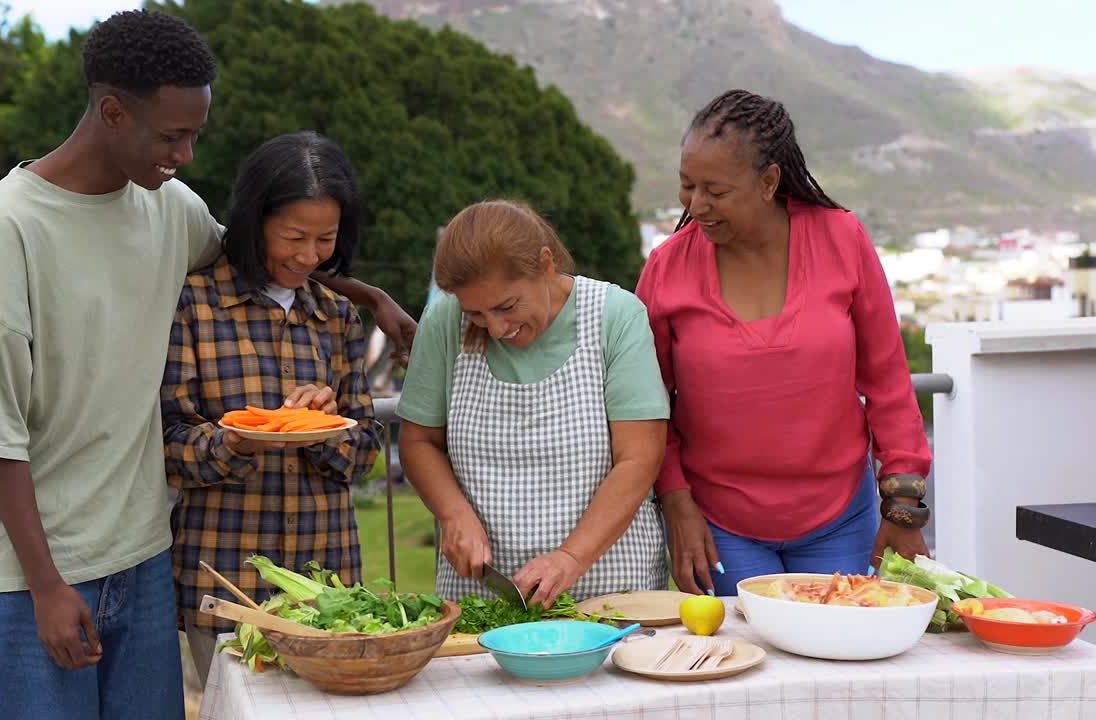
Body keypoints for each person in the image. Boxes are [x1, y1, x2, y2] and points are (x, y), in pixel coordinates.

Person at [0, 11, 412, 719]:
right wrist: (46, 585)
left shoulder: (170, 207)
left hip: (142, 558)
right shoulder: (9, 224)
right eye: (173, 135)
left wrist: (374, 298)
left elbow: (267, 258)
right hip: (36, 575)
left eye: (195, 132)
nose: (189, 153)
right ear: (112, 111)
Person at [635, 89, 932, 598]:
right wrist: (677, 503)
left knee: (841, 660)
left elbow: (887, 383)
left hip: (842, 518)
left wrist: (902, 507)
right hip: (718, 527)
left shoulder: (842, 238)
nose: (697, 205)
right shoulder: (667, 268)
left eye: (716, 191)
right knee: (741, 668)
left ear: (769, 181)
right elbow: (646, 406)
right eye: (687, 186)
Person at [162, 131, 381, 685]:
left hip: (326, 582)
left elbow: (364, 451)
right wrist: (235, 440)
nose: (308, 256)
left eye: (325, 239)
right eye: (293, 237)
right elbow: (168, 444)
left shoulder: (337, 317)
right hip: (223, 577)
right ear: (254, 221)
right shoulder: (194, 306)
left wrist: (328, 429)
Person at [398, 200, 671, 608]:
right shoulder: (443, 322)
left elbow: (639, 458)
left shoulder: (615, 316)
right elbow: (419, 441)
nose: (495, 328)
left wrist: (571, 556)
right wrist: (454, 514)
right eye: (475, 313)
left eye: (507, 306)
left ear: (545, 264)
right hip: (483, 599)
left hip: (609, 593)